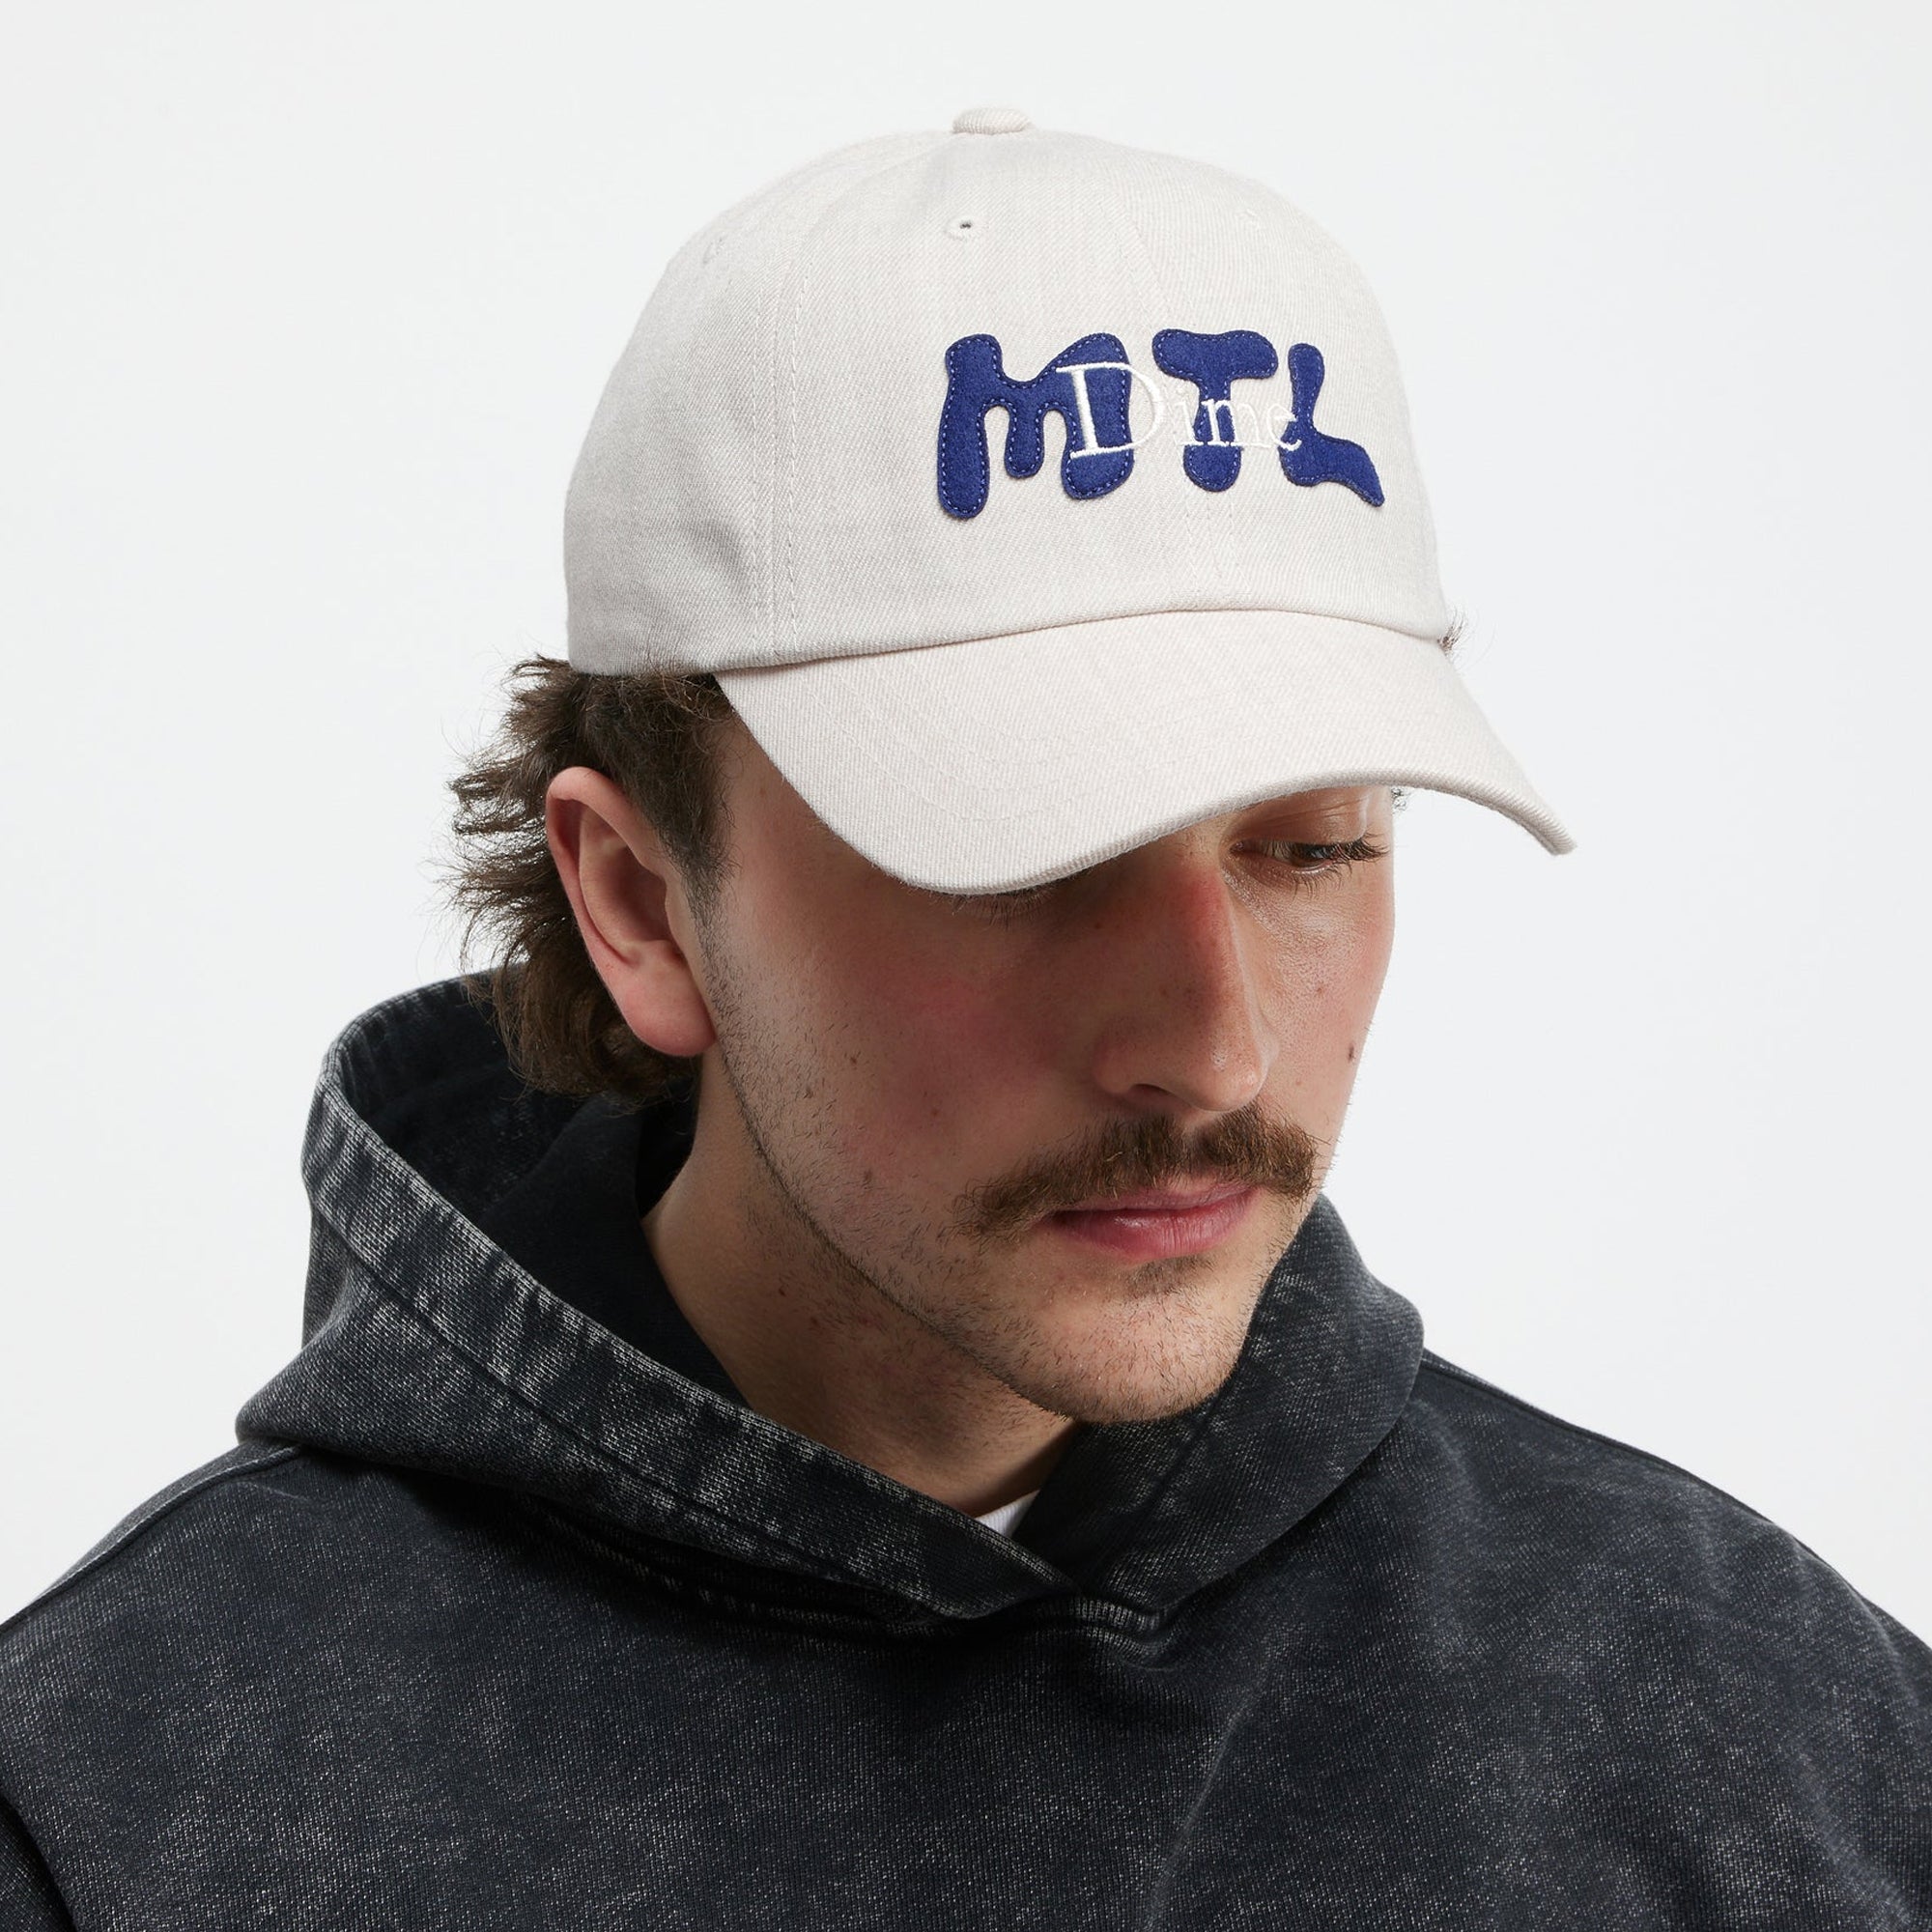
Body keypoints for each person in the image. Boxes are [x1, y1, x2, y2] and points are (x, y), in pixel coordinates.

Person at [3, 108, 1926, 1930]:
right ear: (641, 902)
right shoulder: (118, 1803)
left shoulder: (1771, 1733)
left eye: (1313, 845)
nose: (1217, 1051)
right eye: (1030, 860)